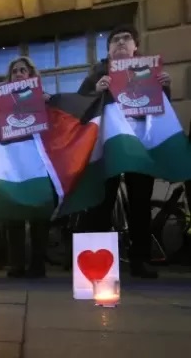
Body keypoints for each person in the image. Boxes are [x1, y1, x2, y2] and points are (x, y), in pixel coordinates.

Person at [77, 24, 171, 279]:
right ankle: (97, 264)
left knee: (140, 204)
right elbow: (80, 107)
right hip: (108, 146)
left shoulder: (149, 70)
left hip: (140, 146)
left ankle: (140, 260)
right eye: (115, 39)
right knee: (101, 204)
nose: (120, 42)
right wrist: (95, 91)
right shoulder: (97, 74)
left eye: (126, 38)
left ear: (135, 46)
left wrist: (164, 88)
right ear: (108, 49)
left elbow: (163, 113)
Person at [0, 56, 51, 278]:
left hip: (37, 162)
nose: (18, 73)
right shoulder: (2, 102)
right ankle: (16, 263)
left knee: (39, 214)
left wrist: (49, 102)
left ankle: (37, 263)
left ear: (31, 75)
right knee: (14, 213)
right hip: (12, 163)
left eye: (23, 70)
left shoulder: (44, 98)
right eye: (14, 71)